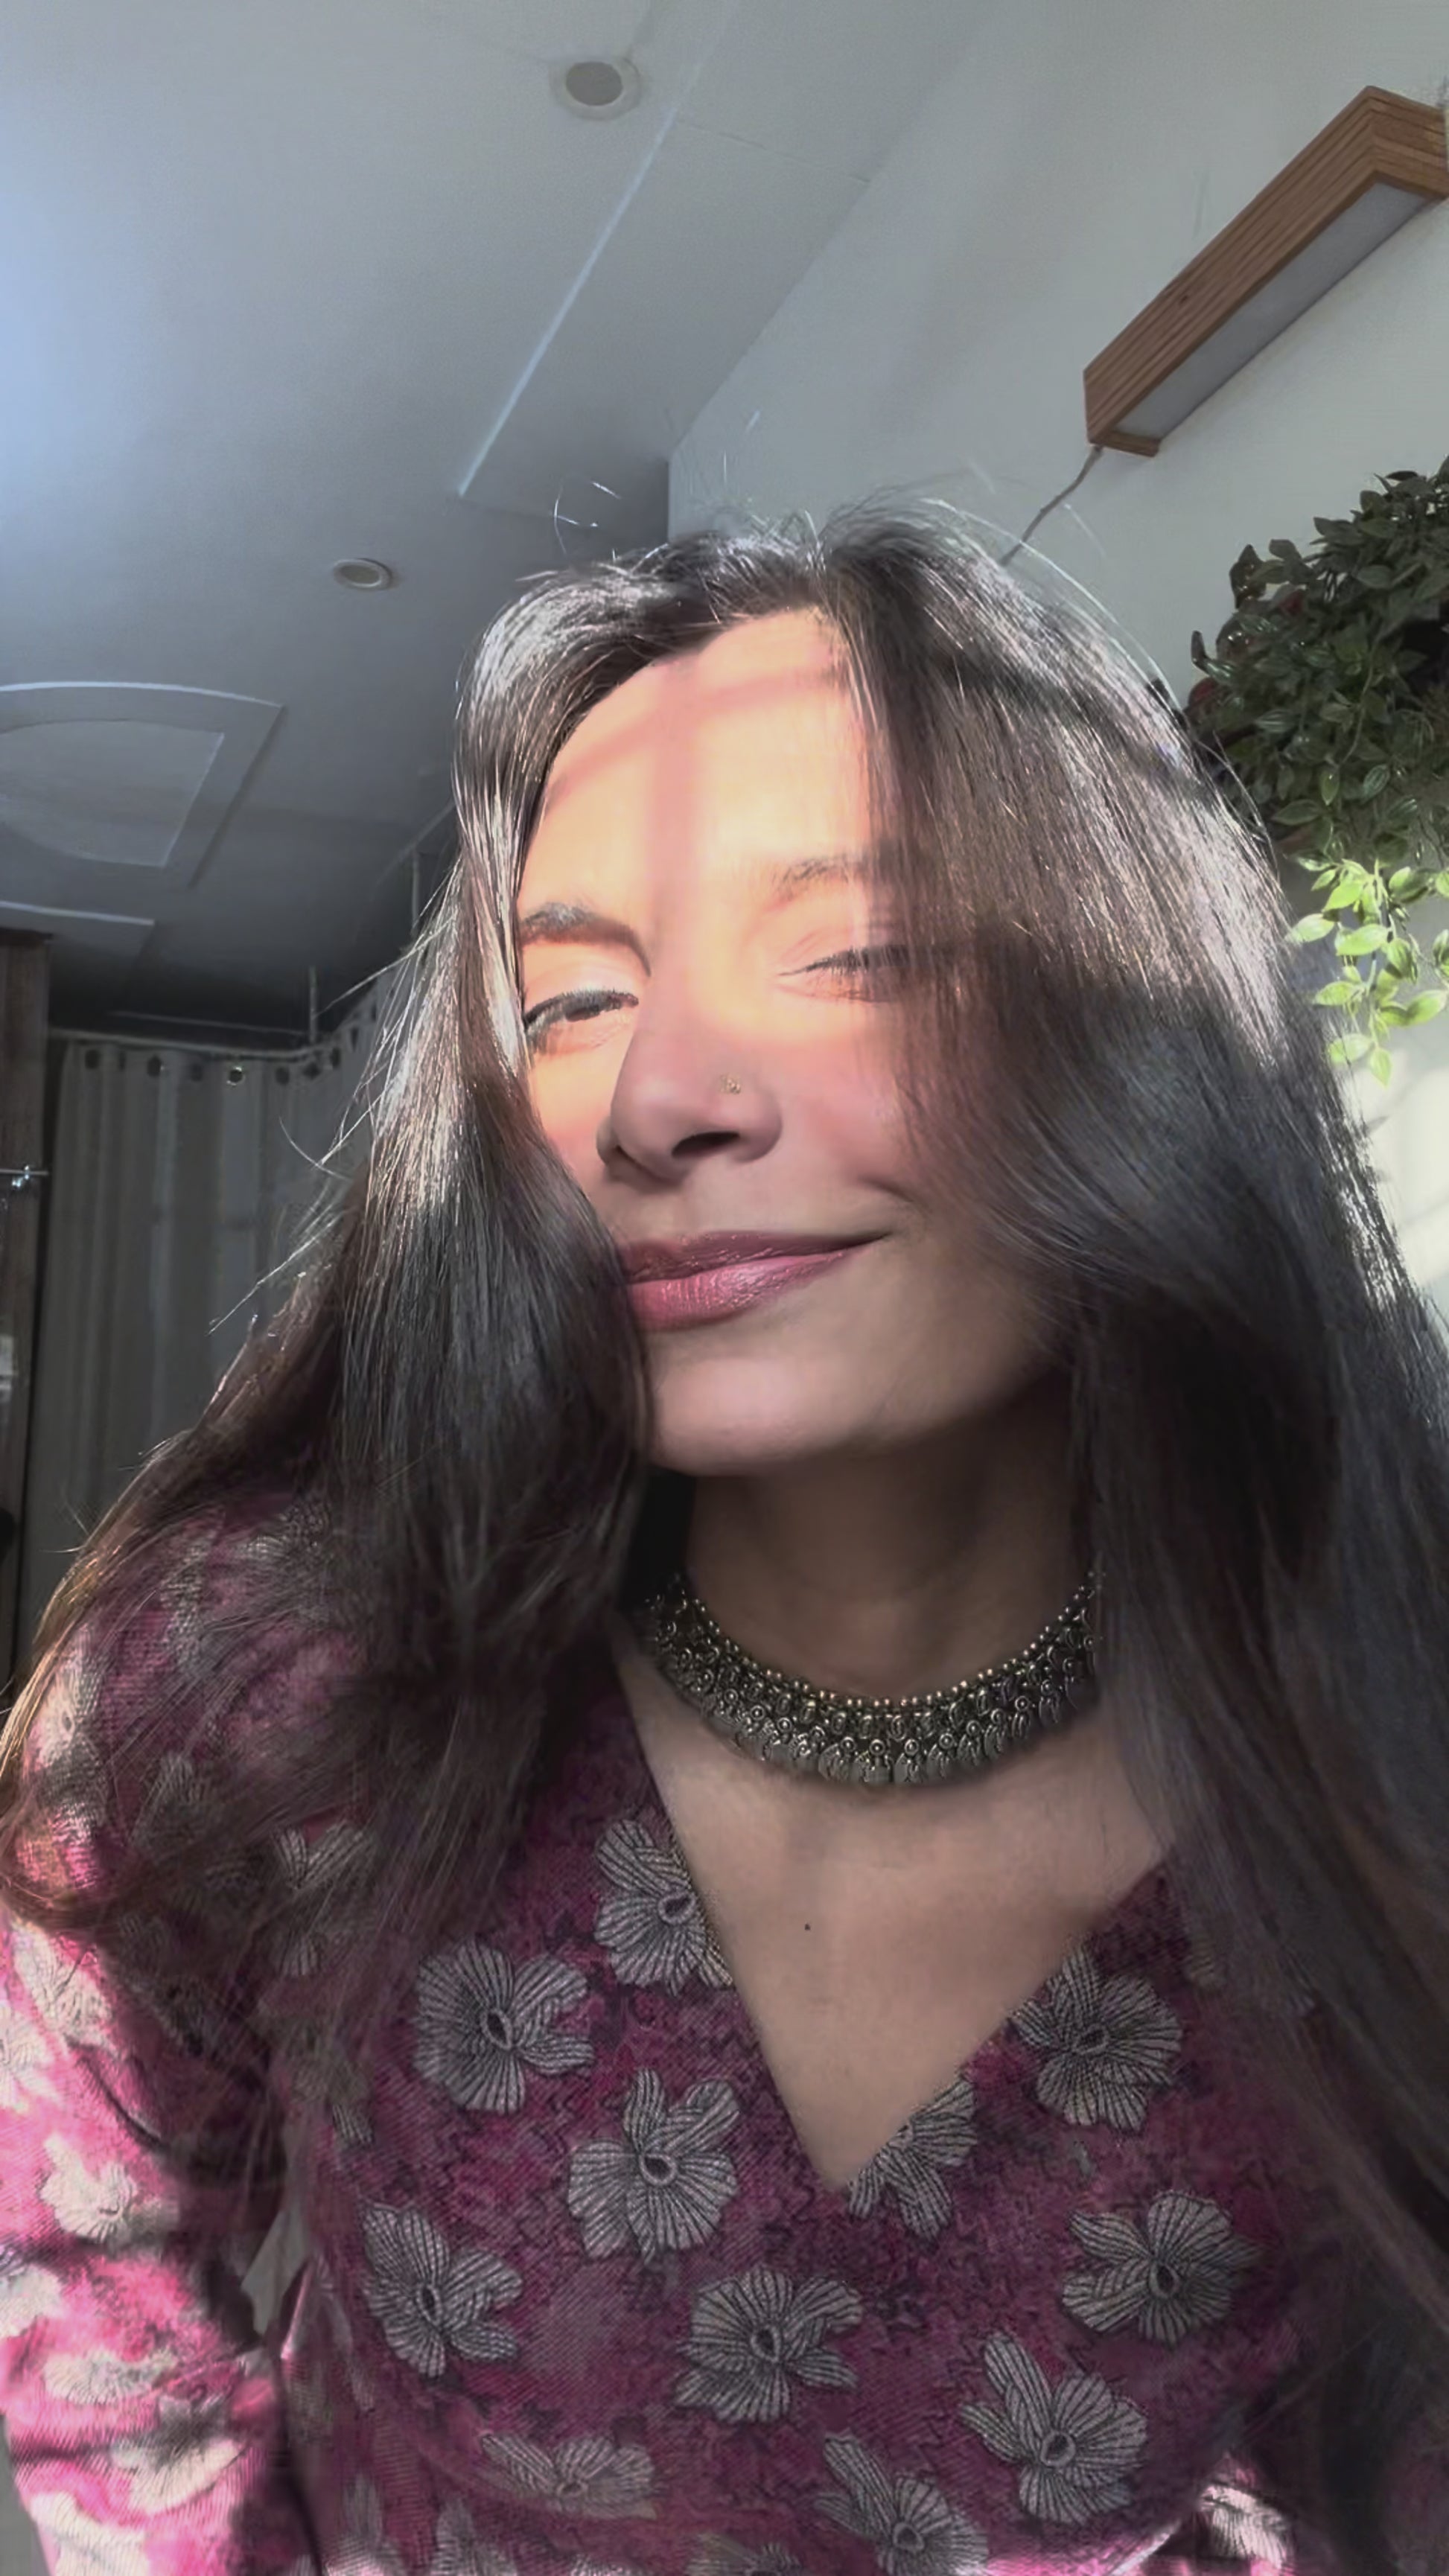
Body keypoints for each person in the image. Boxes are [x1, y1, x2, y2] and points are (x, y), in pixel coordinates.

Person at [1, 512, 1446, 2576]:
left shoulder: (1385, 1751)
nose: (654, 1099)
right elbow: (84, 2280)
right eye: (571, 999)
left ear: (1148, 1024)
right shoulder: (254, 1680)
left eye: (857, 956)